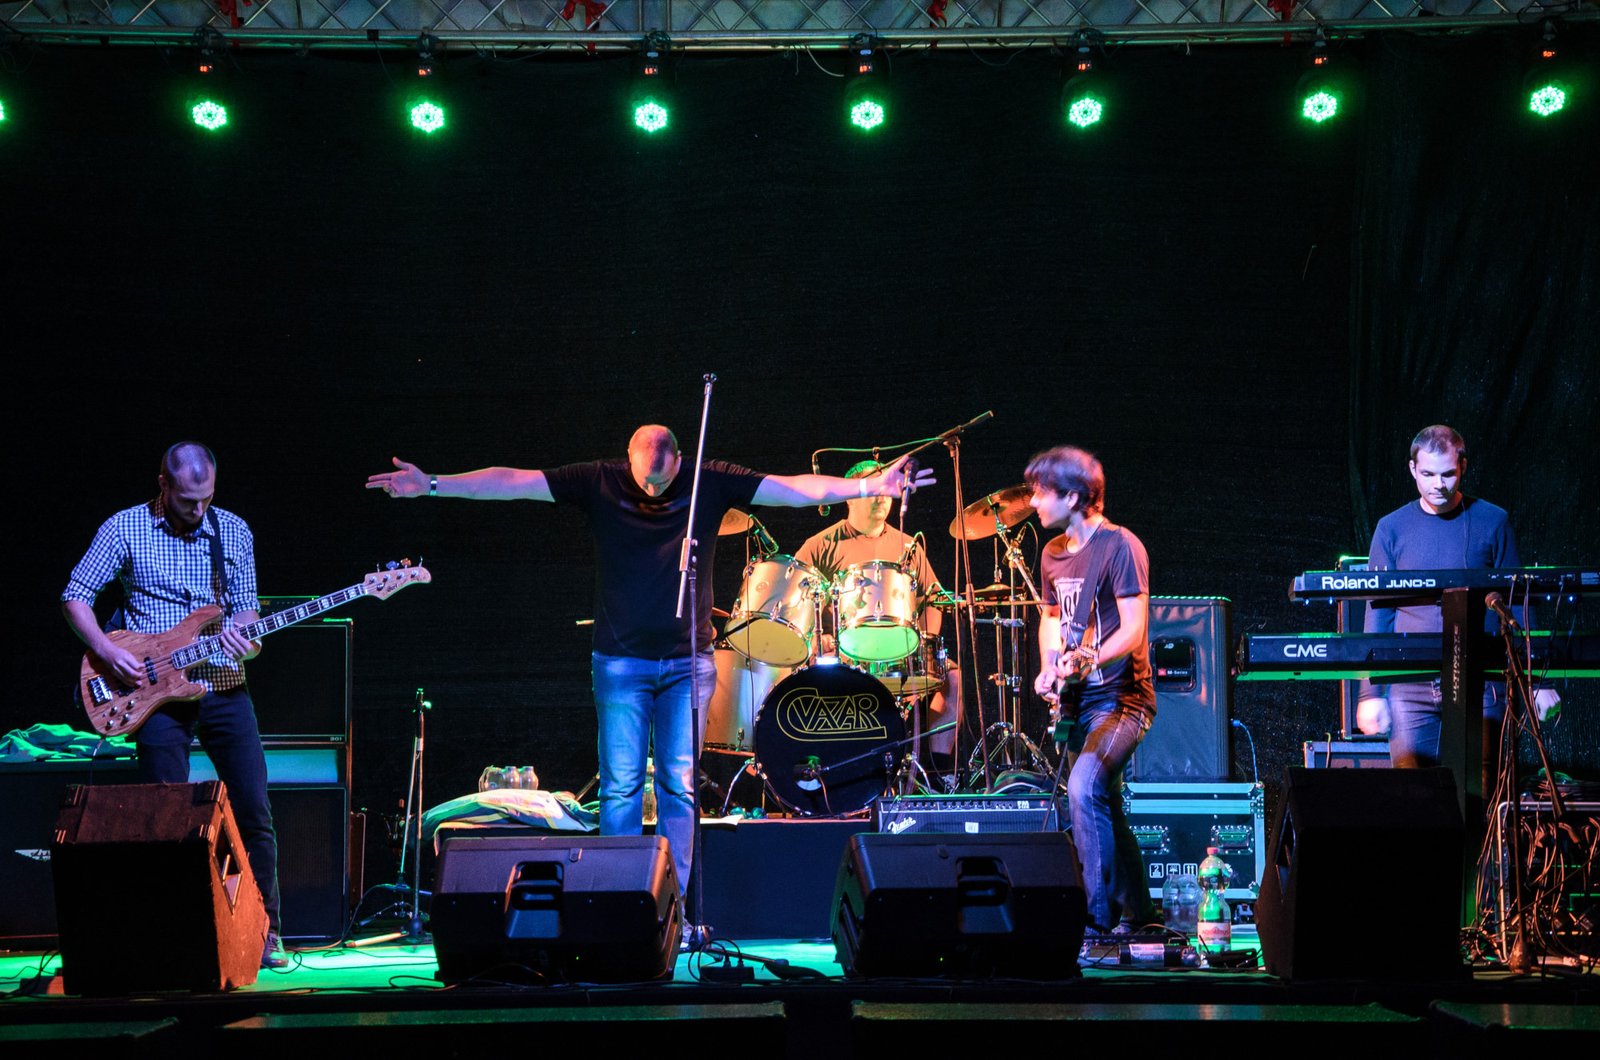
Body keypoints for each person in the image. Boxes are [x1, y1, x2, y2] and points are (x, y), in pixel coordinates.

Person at [366, 426, 932, 932]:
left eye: (663, 481)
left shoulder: (708, 479)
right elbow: (515, 481)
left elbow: (790, 487)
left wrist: (869, 485)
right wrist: (432, 484)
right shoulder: (600, 479)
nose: (654, 491)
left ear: (678, 461)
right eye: (645, 482)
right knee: (619, 786)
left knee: (678, 786)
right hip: (620, 663)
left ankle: (673, 910)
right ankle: (615, 902)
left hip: (687, 662)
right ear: (630, 461)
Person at [62, 442, 285, 969]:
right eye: (188, 500)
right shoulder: (125, 527)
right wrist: (107, 651)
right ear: (163, 484)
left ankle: (266, 931)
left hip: (223, 683)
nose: (199, 510)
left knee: (254, 811)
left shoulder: (234, 531)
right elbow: (75, 596)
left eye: (207, 498)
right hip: (153, 692)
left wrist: (248, 641)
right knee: (165, 818)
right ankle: (178, 936)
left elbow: (247, 614)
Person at [1355, 424, 1558, 780]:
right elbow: (1378, 612)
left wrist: (1538, 680)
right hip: (1410, 684)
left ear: (1463, 466)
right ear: (1413, 469)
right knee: (1414, 790)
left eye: (1447, 473)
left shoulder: (1493, 521)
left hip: (1481, 679)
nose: (1439, 484)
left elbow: (1519, 604)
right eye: (1428, 474)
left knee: (1481, 788)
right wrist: (1369, 692)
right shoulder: (1391, 528)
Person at [1026, 445, 1158, 935]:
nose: (1032, 502)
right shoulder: (1052, 554)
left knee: (1083, 788)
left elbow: (1133, 631)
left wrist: (1088, 658)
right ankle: (1141, 916)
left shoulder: (1121, 546)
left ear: (1073, 496)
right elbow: (1050, 617)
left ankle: (1096, 924)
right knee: (1104, 803)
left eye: (1040, 492)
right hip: (1078, 701)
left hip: (1123, 700)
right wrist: (1049, 666)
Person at [794, 459, 964, 791]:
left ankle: (940, 772)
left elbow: (933, 600)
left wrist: (923, 643)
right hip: (845, 655)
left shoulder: (909, 545)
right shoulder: (820, 545)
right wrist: (818, 638)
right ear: (850, 497)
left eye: (887, 491)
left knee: (952, 676)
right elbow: (795, 598)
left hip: (900, 654)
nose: (883, 498)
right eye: (874, 490)